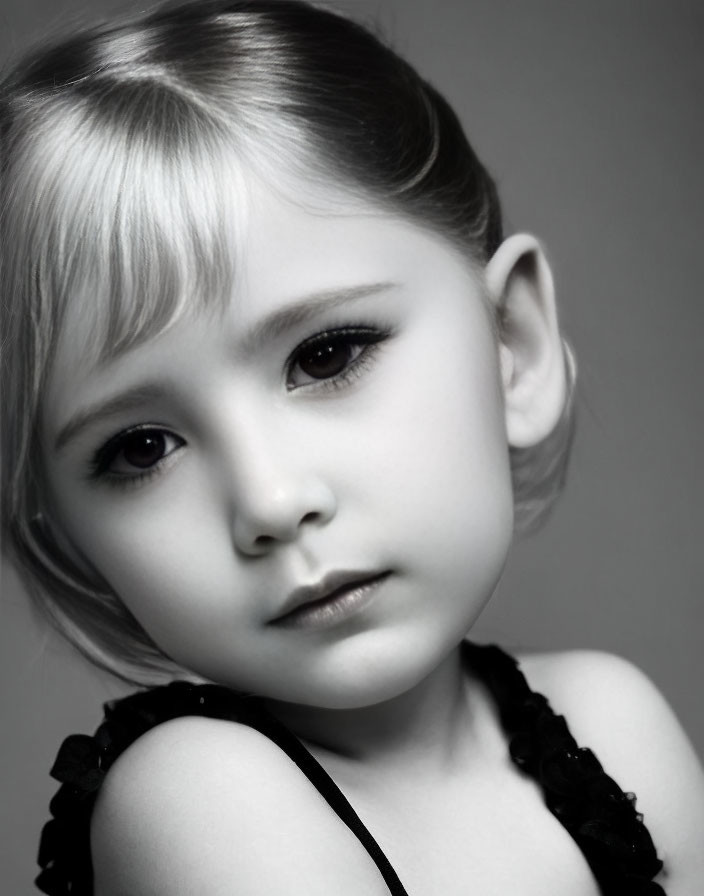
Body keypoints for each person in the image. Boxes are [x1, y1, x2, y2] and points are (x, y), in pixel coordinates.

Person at [1, 0, 702, 893]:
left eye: (325, 355)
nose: (270, 500)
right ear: (66, 535)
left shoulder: (613, 722)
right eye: (142, 448)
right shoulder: (200, 800)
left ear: (512, 346)